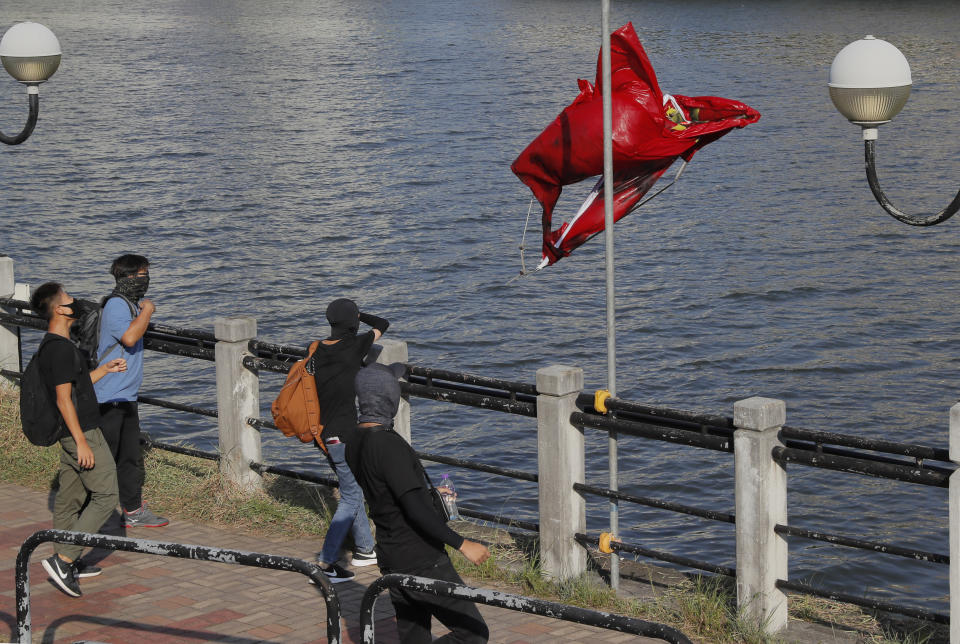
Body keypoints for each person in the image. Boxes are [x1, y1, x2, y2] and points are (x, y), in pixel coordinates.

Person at [347, 362, 491, 643]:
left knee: (414, 636)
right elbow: (414, 510)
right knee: (472, 633)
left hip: (391, 553)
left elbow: (387, 492)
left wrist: (423, 492)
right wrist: (463, 544)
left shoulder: (356, 440)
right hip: (421, 557)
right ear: (388, 396)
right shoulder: (388, 445)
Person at [29, 282, 126, 597]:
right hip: (81, 432)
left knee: (70, 498)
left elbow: (77, 385)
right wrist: (82, 442)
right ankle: (66, 557)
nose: (76, 302)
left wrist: (104, 370)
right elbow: (63, 400)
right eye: (69, 298)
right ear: (59, 309)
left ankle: (66, 561)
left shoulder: (58, 345)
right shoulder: (59, 350)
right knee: (107, 495)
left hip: (73, 433)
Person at [311, 298, 389, 582]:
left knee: (352, 487)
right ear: (353, 322)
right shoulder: (355, 346)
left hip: (323, 433)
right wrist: (360, 315)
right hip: (344, 435)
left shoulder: (316, 350)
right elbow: (383, 324)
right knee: (352, 495)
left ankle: (366, 551)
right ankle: (326, 562)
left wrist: (347, 319)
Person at [93, 254, 167, 528]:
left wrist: (142, 310)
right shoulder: (116, 305)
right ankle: (90, 512)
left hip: (125, 395)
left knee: (129, 458)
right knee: (104, 459)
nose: (144, 280)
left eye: (145, 274)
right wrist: (148, 310)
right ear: (127, 276)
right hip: (109, 396)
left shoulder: (129, 304)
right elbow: (129, 337)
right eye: (141, 274)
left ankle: (133, 511)